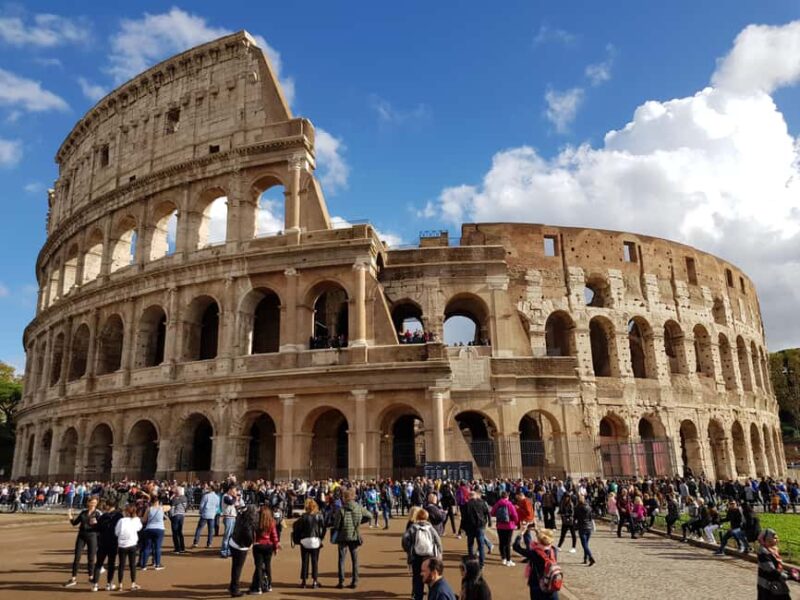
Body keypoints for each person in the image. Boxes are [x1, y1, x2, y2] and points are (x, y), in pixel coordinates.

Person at [402, 508, 443, 600]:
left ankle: (418, 597)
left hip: (416, 556)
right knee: (431, 577)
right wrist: (439, 555)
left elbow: (405, 540)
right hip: (429, 556)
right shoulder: (431, 528)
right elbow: (438, 542)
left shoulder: (413, 527)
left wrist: (409, 550)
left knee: (417, 578)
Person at [513, 527, 561, 600]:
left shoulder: (534, 553)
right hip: (551, 584)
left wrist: (521, 533)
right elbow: (545, 541)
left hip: (537, 584)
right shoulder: (553, 550)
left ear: (539, 540)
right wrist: (538, 531)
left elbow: (516, 547)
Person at [64, 495, 101, 588]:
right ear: (88, 503)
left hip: (92, 536)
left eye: (95, 503)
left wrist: (96, 525)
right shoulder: (83, 513)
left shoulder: (98, 514)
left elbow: (101, 527)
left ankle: (91, 577)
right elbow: (74, 523)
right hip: (81, 536)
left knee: (91, 558)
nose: (93, 504)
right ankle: (73, 578)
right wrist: (69, 515)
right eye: (91, 502)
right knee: (77, 557)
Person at [333, 488, 366, 589]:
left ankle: (341, 581)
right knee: (355, 560)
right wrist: (360, 522)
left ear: (345, 498)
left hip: (343, 536)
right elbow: (369, 515)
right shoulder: (359, 507)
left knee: (341, 560)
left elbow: (336, 525)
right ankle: (355, 580)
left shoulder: (341, 510)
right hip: (354, 535)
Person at [756, 528, 799, 599]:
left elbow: (777, 567)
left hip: (776, 582)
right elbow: (771, 570)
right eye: (774, 538)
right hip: (768, 585)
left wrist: (790, 574)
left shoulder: (773, 549)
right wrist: (788, 576)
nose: (776, 540)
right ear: (767, 540)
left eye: (776, 538)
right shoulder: (763, 552)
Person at [293, 498, 326, 588]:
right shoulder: (319, 515)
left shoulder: (304, 516)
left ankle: (304, 582)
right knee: (315, 561)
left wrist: (299, 538)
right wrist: (321, 538)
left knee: (304, 561)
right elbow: (324, 528)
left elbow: (298, 528)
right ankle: (315, 582)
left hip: (305, 541)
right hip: (315, 540)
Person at [228, 503, 257, 597]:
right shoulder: (248, 522)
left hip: (233, 542)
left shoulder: (241, 516)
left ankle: (233, 586)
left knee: (235, 567)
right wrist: (250, 544)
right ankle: (234, 589)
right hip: (240, 546)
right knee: (237, 568)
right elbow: (248, 536)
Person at [92, 500, 122, 591]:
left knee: (99, 564)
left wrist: (94, 524)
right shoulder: (119, 516)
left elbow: (97, 528)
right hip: (113, 542)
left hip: (102, 542)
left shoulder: (103, 516)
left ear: (109, 506)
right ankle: (109, 584)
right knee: (111, 564)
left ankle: (95, 585)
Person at [250, 505, 280, 594]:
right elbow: (274, 536)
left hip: (258, 545)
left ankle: (258, 587)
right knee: (267, 566)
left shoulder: (257, 522)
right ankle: (269, 585)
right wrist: (276, 547)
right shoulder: (272, 522)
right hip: (268, 546)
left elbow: (252, 535)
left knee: (258, 567)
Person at [115, 503, 143, 591]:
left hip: (122, 545)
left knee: (121, 565)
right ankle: (132, 584)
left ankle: (120, 585)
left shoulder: (121, 521)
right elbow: (139, 528)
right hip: (132, 544)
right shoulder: (136, 520)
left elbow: (116, 532)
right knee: (132, 565)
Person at [461, 490, 491, 568]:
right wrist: (487, 522)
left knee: (470, 544)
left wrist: (462, 528)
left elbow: (464, 518)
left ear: (469, 496)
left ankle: (471, 562)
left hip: (470, 527)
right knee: (481, 545)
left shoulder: (467, 505)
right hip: (480, 526)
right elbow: (487, 512)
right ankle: (482, 563)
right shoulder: (482, 503)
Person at [139, 495, 169, 570]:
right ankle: (157, 564)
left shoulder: (149, 509)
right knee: (157, 547)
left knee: (147, 547)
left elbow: (144, 520)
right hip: (159, 529)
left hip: (149, 528)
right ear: (158, 501)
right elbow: (169, 506)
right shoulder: (161, 508)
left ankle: (144, 565)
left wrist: (139, 518)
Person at [490, 491, 519, 566]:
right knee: (508, 543)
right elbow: (514, 515)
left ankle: (503, 558)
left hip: (500, 525)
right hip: (509, 525)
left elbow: (492, 513)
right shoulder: (510, 504)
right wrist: (516, 523)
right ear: (507, 497)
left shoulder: (497, 504)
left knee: (502, 542)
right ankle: (509, 560)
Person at [194, 484, 220, 549]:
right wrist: (214, 512)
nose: (208, 488)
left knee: (199, 529)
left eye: (209, 487)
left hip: (205, 514)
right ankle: (209, 544)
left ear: (211, 489)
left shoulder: (206, 496)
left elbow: (202, 505)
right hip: (212, 515)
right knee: (210, 530)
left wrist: (201, 511)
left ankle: (196, 542)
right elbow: (217, 507)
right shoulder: (217, 497)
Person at [574, 495, 595, 566]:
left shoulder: (577, 508)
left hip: (582, 527)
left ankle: (591, 557)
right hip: (588, 527)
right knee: (586, 544)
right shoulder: (589, 507)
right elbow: (590, 518)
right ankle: (585, 559)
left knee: (584, 545)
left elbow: (575, 518)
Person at [170, 486, 188, 554]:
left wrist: (171, 517)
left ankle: (177, 548)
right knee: (180, 532)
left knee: (175, 533)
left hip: (176, 515)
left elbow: (172, 509)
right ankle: (182, 548)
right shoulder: (184, 498)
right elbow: (186, 507)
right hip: (182, 515)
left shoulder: (174, 499)